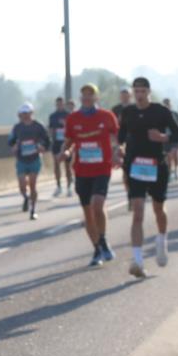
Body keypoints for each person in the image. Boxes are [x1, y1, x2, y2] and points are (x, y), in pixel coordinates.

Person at [117, 77, 178, 278]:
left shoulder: (161, 111)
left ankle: (161, 242)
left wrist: (163, 138)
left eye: (142, 91)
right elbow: (120, 138)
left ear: (149, 92)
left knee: (158, 209)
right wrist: (117, 149)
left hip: (157, 166)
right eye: (136, 91)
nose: (139, 95)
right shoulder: (127, 112)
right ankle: (137, 260)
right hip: (135, 167)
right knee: (137, 212)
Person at [64, 84, 119, 266]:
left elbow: (116, 138)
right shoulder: (73, 119)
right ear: (80, 98)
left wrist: (118, 151)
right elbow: (70, 140)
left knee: (98, 205)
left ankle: (102, 239)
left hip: (102, 168)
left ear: (97, 97)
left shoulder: (106, 116)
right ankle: (97, 249)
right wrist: (65, 152)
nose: (87, 98)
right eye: (84, 95)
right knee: (88, 213)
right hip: (81, 170)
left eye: (90, 95)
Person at [9, 102, 52, 220]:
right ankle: (26, 198)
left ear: (31, 113)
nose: (25, 115)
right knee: (22, 186)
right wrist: (14, 147)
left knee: (32, 185)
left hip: (35, 159)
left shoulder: (38, 126)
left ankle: (33, 209)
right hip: (21, 160)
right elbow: (11, 141)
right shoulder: (17, 127)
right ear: (20, 115)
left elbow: (47, 140)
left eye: (27, 113)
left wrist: (42, 147)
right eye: (23, 113)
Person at [47, 96, 73, 198]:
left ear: (63, 104)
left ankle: (69, 186)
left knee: (67, 166)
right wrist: (50, 137)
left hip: (66, 143)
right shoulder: (52, 116)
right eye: (58, 104)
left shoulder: (68, 115)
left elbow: (71, 128)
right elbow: (50, 129)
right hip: (56, 143)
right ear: (56, 104)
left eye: (61, 103)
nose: (59, 105)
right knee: (56, 164)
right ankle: (58, 186)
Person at [162, 98, 178, 181]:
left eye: (168, 104)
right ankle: (170, 172)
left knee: (174, 155)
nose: (167, 105)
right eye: (165, 104)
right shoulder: (159, 115)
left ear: (170, 105)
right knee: (168, 158)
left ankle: (176, 170)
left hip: (174, 139)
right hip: (165, 139)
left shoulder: (176, 114)